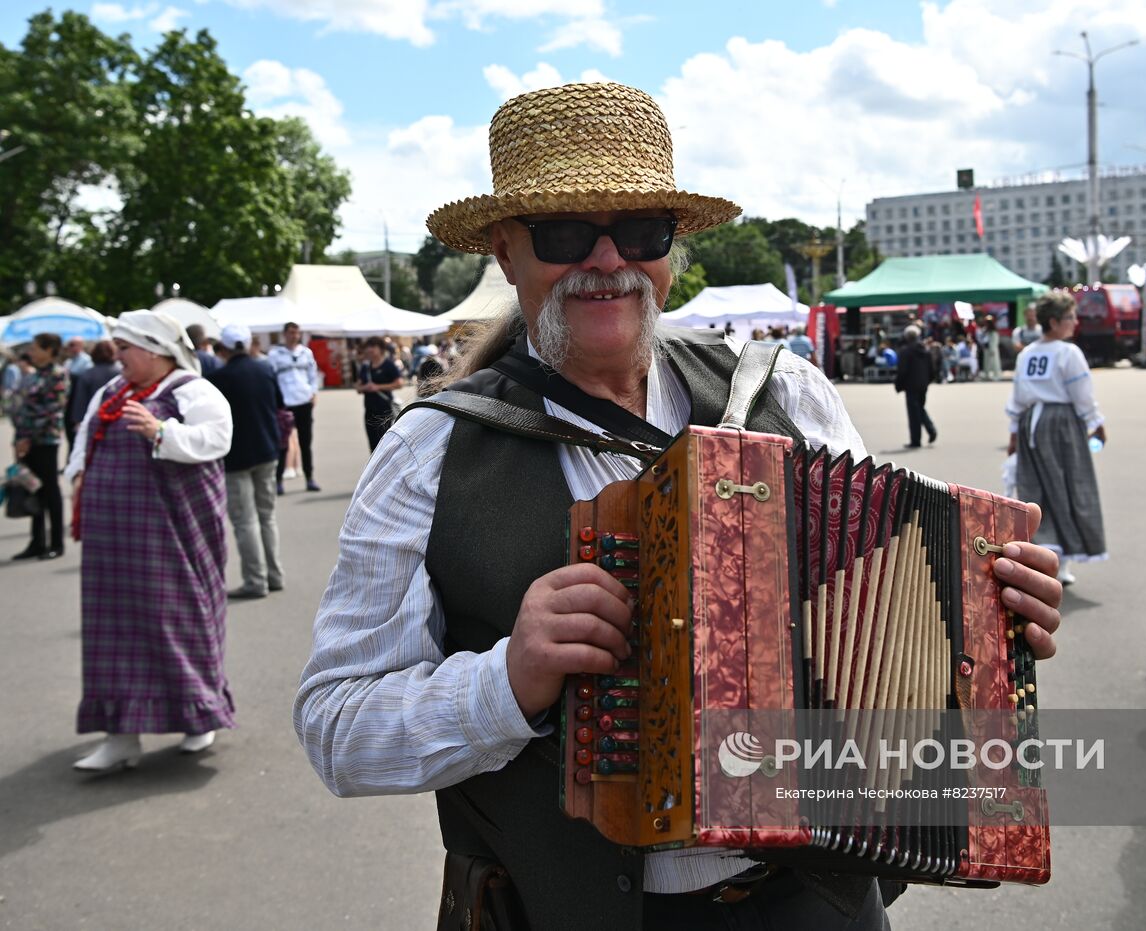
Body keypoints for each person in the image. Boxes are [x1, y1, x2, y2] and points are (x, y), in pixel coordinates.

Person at [293, 81, 1063, 931]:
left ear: (672, 248)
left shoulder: (781, 392)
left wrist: (991, 614)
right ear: (505, 254)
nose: (607, 260)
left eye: (640, 230)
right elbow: (336, 723)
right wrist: (505, 681)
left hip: (813, 902)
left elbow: (897, 603)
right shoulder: (432, 450)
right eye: (563, 233)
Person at [65, 310, 234, 770]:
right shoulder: (112, 391)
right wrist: (79, 473)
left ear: (155, 351)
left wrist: (163, 431)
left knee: (177, 620)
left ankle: (199, 716)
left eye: (124, 349)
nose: (116, 358)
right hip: (114, 539)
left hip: (172, 536)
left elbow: (218, 439)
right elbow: (84, 438)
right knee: (111, 628)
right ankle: (121, 735)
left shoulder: (193, 391)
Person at [1005, 292, 1107, 585]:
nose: (1075, 322)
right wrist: (1095, 422)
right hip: (1061, 423)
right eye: (1070, 317)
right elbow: (1082, 393)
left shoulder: (1027, 353)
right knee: (1068, 486)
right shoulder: (1067, 353)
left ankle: (1046, 552)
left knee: (1034, 488)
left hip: (1030, 425)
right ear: (1054, 322)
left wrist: (1014, 432)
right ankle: (1062, 560)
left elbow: (1018, 397)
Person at [207, 323, 284, 600]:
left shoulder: (218, 377)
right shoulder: (265, 369)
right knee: (267, 515)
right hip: (267, 448)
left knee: (245, 521)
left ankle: (256, 580)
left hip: (236, 454)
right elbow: (279, 403)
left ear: (225, 347)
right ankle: (274, 575)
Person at [11, 332, 69, 560]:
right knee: (33, 489)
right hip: (28, 441)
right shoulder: (34, 375)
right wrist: (19, 439)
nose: (31, 353)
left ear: (49, 350)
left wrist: (27, 436)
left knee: (50, 490)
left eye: (36, 348)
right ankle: (37, 541)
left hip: (45, 440)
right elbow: (24, 409)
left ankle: (56, 542)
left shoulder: (58, 374)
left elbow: (52, 410)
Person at [267, 322, 320, 493]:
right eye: (291, 332)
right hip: (285, 403)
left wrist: (313, 393)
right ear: (285, 334)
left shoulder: (305, 353)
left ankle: (309, 478)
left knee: (306, 443)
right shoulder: (275, 354)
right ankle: (278, 481)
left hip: (304, 401)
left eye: (297, 332)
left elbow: (313, 375)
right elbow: (271, 378)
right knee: (282, 444)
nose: (294, 335)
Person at [65, 339, 121, 450]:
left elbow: (80, 400)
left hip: (92, 422)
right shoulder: (121, 373)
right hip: (117, 421)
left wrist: (78, 421)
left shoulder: (87, 374)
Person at [355, 336, 405, 452]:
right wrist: (365, 388)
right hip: (369, 411)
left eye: (373, 347)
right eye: (368, 347)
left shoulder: (388, 365)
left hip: (385, 412)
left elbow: (399, 383)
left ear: (381, 349)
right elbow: (358, 387)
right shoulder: (366, 367)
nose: (369, 350)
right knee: (373, 446)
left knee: (384, 445)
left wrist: (378, 387)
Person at [894, 324, 937, 448]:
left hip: (911, 385)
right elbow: (932, 369)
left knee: (913, 413)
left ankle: (916, 440)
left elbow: (902, 371)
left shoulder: (906, 351)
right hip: (923, 384)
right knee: (920, 408)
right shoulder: (925, 350)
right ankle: (931, 429)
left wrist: (898, 385)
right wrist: (928, 381)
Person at [978, 313, 1003, 381]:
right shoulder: (985, 330)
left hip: (992, 349)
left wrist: (992, 349)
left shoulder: (994, 331)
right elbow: (982, 338)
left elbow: (994, 341)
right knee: (986, 363)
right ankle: (986, 375)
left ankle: (997, 375)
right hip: (986, 348)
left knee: (994, 363)